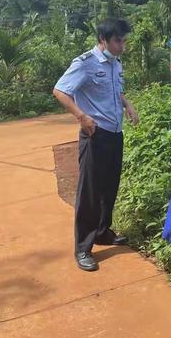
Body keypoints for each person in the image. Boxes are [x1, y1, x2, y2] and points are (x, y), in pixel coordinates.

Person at [53, 18, 139, 272]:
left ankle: (103, 232)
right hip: (95, 135)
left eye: (124, 40)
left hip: (115, 133)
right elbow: (60, 91)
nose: (122, 46)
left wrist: (128, 105)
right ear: (103, 39)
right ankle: (83, 247)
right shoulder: (85, 64)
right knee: (89, 192)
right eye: (117, 41)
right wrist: (81, 116)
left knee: (109, 187)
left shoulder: (114, 63)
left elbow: (115, 91)